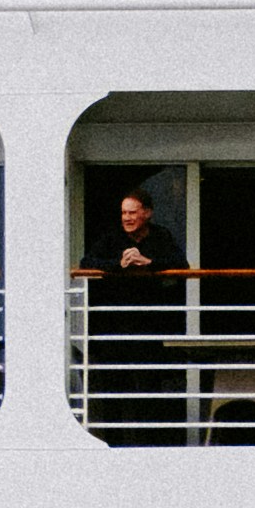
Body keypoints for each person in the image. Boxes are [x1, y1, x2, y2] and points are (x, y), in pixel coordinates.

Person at [96, 179, 185, 444]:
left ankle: (148, 446)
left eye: (132, 213)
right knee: (114, 390)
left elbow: (181, 264)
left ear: (147, 213)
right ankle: (114, 447)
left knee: (148, 390)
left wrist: (150, 263)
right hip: (114, 326)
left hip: (148, 325)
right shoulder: (112, 238)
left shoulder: (161, 236)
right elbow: (88, 262)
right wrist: (118, 264)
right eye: (124, 213)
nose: (127, 218)